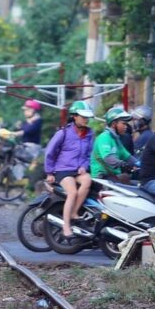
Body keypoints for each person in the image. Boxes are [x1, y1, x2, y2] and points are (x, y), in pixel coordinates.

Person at [44, 100, 95, 240]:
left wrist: (84, 166)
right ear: (74, 116)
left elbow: (89, 154)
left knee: (87, 181)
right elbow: (50, 152)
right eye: (83, 117)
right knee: (72, 192)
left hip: (78, 170)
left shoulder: (90, 133)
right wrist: (49, 172)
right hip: (63, 170)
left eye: (87, 117)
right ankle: (66, 227)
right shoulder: (64, 133)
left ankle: (74, 212)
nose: (86, 120)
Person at [90, 106, 134, 182]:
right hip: (101, 177)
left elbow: (127, 156)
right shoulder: (104, 137)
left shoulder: (116, 139)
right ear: (114, 124)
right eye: (123, 124)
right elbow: (108, 158)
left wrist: (140, 164)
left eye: (126, 124)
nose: (126, 127)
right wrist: (123, 164)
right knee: (127, 181)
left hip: (113, 176)